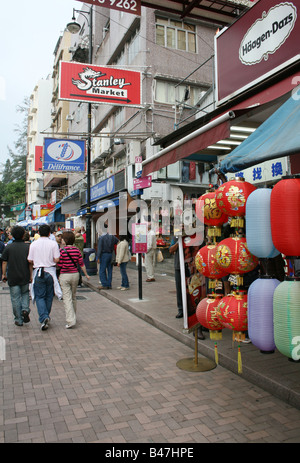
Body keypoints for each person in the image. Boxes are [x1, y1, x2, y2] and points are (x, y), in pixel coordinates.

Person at [27, 224, 61, 331]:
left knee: (40, 296)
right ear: (49, 233)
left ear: (38, 233)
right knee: (49, 295)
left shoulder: (34, 244)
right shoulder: (53, 244)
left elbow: (30, 260)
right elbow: (57, 259)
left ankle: (44, 316)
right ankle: (45, 315)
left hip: (38, 272)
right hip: (50, 272)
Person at [57, 231, 90, 329]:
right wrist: (86, 275)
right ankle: (73, 316)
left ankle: (71, 320)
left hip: (65, 275)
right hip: (75, 275)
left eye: (62, 238)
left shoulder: (62, 251)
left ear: (65, 240)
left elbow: (59, 264)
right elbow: (81, 264)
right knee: (73, 296)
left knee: (67, 298)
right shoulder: (76, 250)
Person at [1, 226, 31, 326]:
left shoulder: (8, 247)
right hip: (25, 275)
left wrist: (4, 274)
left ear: (12, 235)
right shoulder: (28, 247)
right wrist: (31, 275)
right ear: (23, 235)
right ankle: (25, 309)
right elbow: (30, 263)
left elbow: (4, 262)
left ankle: (18, 319)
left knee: (15, 298)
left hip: (13, 276)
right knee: (25, 294)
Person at [169, 237, 183, 318]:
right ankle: (181, 309)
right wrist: (178, 243)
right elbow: (171, 250)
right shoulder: (176, 237)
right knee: (179, 289)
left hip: (189, 267)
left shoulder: (192, 236)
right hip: (178, 267)